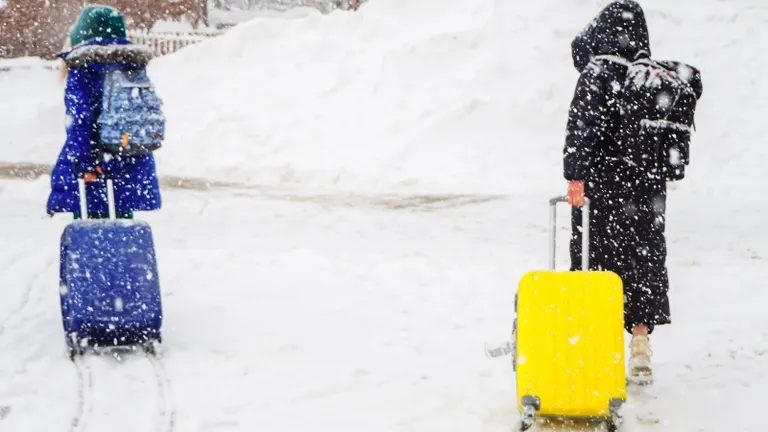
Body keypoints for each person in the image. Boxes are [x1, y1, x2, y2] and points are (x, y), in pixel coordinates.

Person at [564, 0, 666, 385]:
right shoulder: (649, 76)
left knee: (596, 263)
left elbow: (582, 129)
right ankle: (640, 345)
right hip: (646, 188)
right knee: (643, 262)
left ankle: (594, 346)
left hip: (604, 187)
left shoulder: (599, 70)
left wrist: (574, 176)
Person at [46, 5, 161, 220]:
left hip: (94, 171)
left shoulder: (83, 67)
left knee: (92, 235)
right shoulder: (132, 65)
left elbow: (81, 121)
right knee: (122, 230)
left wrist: (83, 164)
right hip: (129, 160)